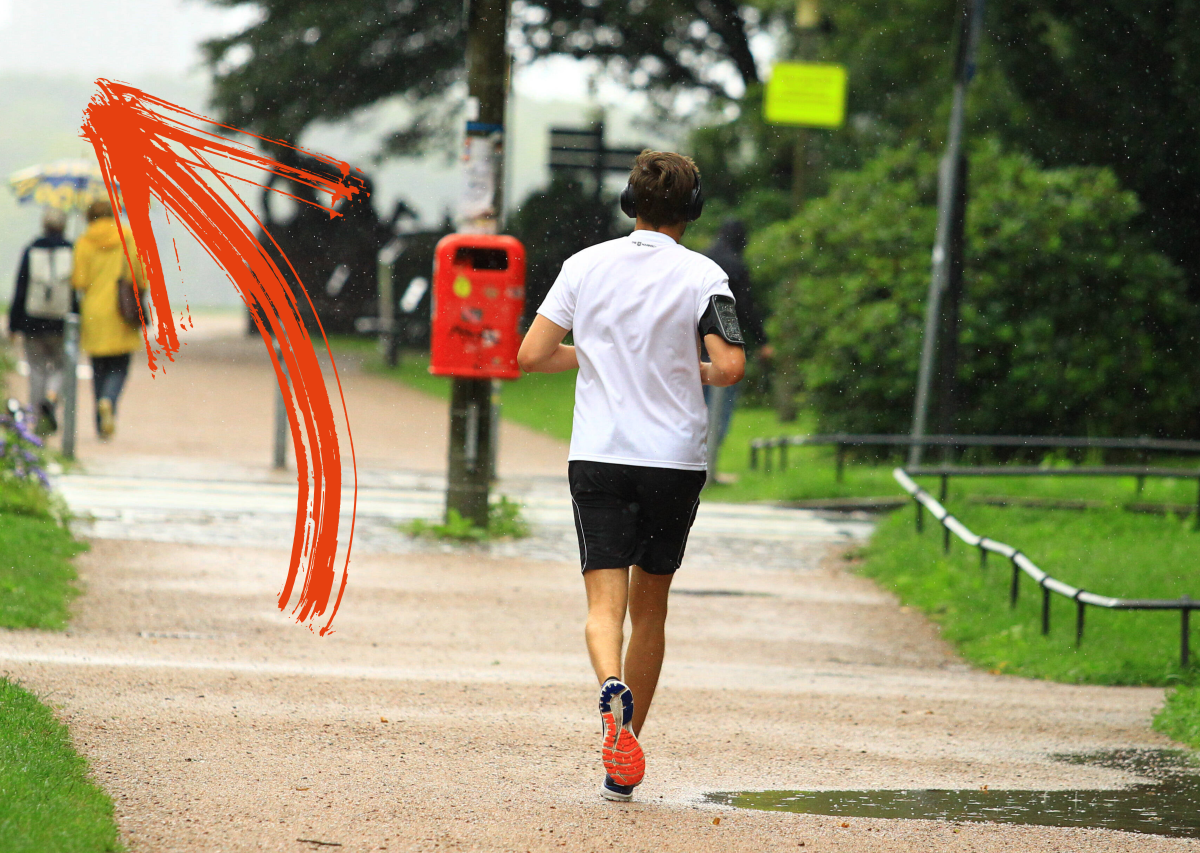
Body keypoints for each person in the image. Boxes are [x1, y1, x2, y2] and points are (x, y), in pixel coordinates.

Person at [517, 150, 746, 802]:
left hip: (601, 454)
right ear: (693, 207)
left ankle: (606, 686)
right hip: (673, 460)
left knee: (602, 604)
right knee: (652, 608)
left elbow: (531, 354)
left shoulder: (584, 266)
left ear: (629, 200)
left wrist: (592, 353)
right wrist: (687, 370)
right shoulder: (705, 276)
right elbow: (728, 367)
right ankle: (625, 754)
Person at [701, 219, 770, 473]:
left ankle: (694, 454)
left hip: (699, 341)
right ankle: (710, 459)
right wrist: (762, 340)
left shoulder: (703, 259)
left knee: (698, 401)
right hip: (726, 343)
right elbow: (745, 306)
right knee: (723, 401)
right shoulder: (736, 265)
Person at [71, 199, 144, 439]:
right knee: (120, 366)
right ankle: (109, 401)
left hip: (93, 311)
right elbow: (140, 273)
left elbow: (79, 282)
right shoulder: (128, 236)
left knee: (98, 368)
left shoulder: (83, 241)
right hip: (120, 310)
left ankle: (100, 421)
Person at [7, 208, 74, 435]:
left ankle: (36, 415)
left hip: (33, 320)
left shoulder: (31, 250)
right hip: (61, 322)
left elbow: (21, 288)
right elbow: (75, 291)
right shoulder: (71, 250)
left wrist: (14, 324)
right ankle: (51, 398)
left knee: (36, 369)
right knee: (61, 366)